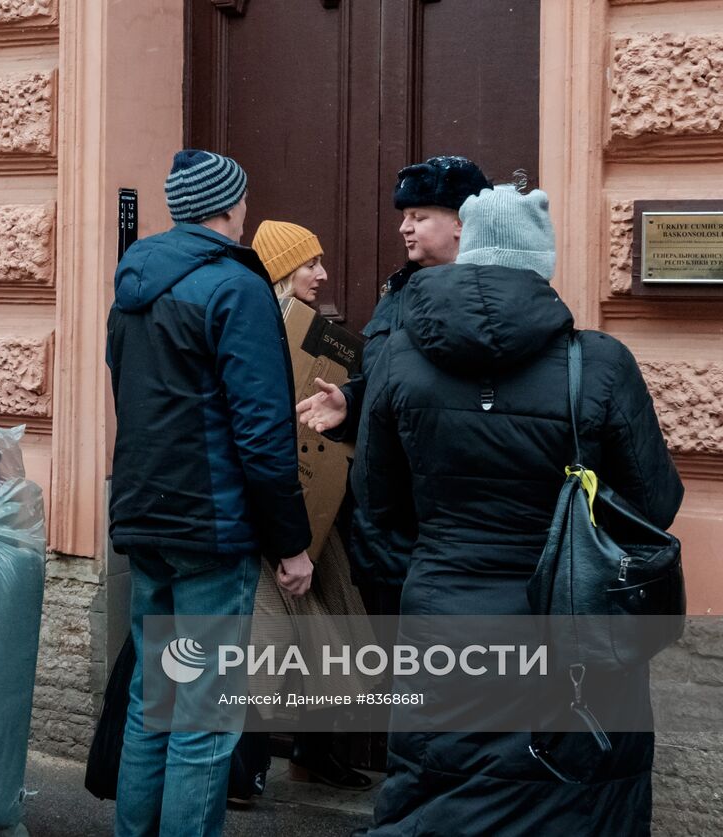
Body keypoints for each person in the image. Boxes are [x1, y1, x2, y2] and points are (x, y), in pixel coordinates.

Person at [352, 185, 684, 835]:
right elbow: (656, 505)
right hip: (571, 629)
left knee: (442, 791)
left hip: (444, 623)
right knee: (566, 801)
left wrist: (439, 556)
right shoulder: (600, 363)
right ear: (542, 262)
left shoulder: (398, 357)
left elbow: (375, 500)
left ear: (469, 251)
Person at [107, 149, 314, 837]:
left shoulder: (133, 281)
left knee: (152, 699)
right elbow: (263, 433)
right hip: (213, 527)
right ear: (229, 206)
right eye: (244, 200)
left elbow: (127, 397)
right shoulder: (235, 286)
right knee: (203, 713)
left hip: (146, 516)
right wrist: (290, 543)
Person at [295, 156, 491, 617]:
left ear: (462, 223)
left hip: (450, 526)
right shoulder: (399, 294)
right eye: (405, 217)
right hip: (384, 527)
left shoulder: (492, 301)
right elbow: (385, 379)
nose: (406, 228)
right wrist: (351, 400)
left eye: (420, 217)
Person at [248, 219, 373, 791]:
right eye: (309, 264)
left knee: (331, 634)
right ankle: (244, 766)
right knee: (267, 645)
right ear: (279, 272)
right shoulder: (251, 332)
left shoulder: (320, 335)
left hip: (317, 511)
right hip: (269, 517)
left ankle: (313, 752)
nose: (322, 275)